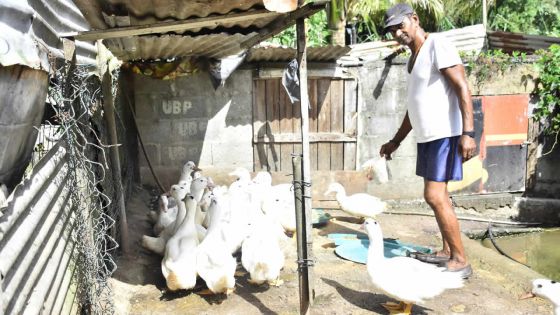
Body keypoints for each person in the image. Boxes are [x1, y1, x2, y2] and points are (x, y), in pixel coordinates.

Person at [379, 3, 476, 279]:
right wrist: (395, 141)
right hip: (428, 138)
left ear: (415, 19)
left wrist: (468, 133)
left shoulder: (437, 46)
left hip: (444, 134)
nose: (397, 33)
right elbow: (413, 108)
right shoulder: (413, 59)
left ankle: (460, 259)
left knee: (433, 195)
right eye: (392, 30)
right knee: (439, 196)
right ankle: (448, 251)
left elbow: (462, 87)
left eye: (400, 26)